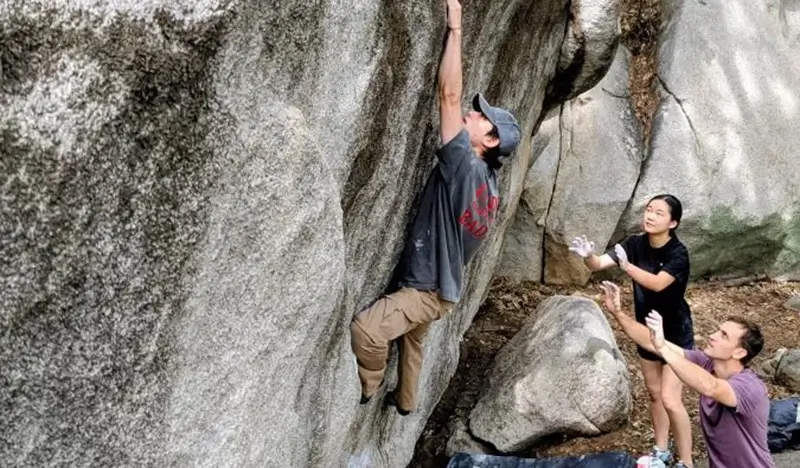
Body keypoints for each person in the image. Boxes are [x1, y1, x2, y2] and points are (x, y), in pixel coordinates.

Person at [349, 0, 521, 416]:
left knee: (368, 330)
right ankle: (406, 403)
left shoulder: (465, 165)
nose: (471, 114)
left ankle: (370, 388)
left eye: (481, 117)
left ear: (490, 141)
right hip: (444, 286)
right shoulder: (489, 185)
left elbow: (448, 95)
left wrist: (455, 30)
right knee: (414, 341)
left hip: (426, 289)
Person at [569, 195, 695, 467]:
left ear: (673, 222)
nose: (650, 216)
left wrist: (626, 266)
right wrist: (588, 256)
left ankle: (686, 461)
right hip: (645, 329)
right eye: (649, 210)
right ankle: (661, 451)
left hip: (675, 334)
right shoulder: (635, 244)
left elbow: (657, 283)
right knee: (654, 393)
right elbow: (599, 264)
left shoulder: (678, 253)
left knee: (671, 399)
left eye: (659, 213)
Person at [599, 281, 775, 468]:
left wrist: (663, 348)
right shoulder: (708, 364)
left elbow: (710, 387)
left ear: (739, 352)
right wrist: (617, 313)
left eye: (724, 335)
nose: (712, 335)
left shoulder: (749, 387)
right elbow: (652, 343)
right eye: (718, 330)